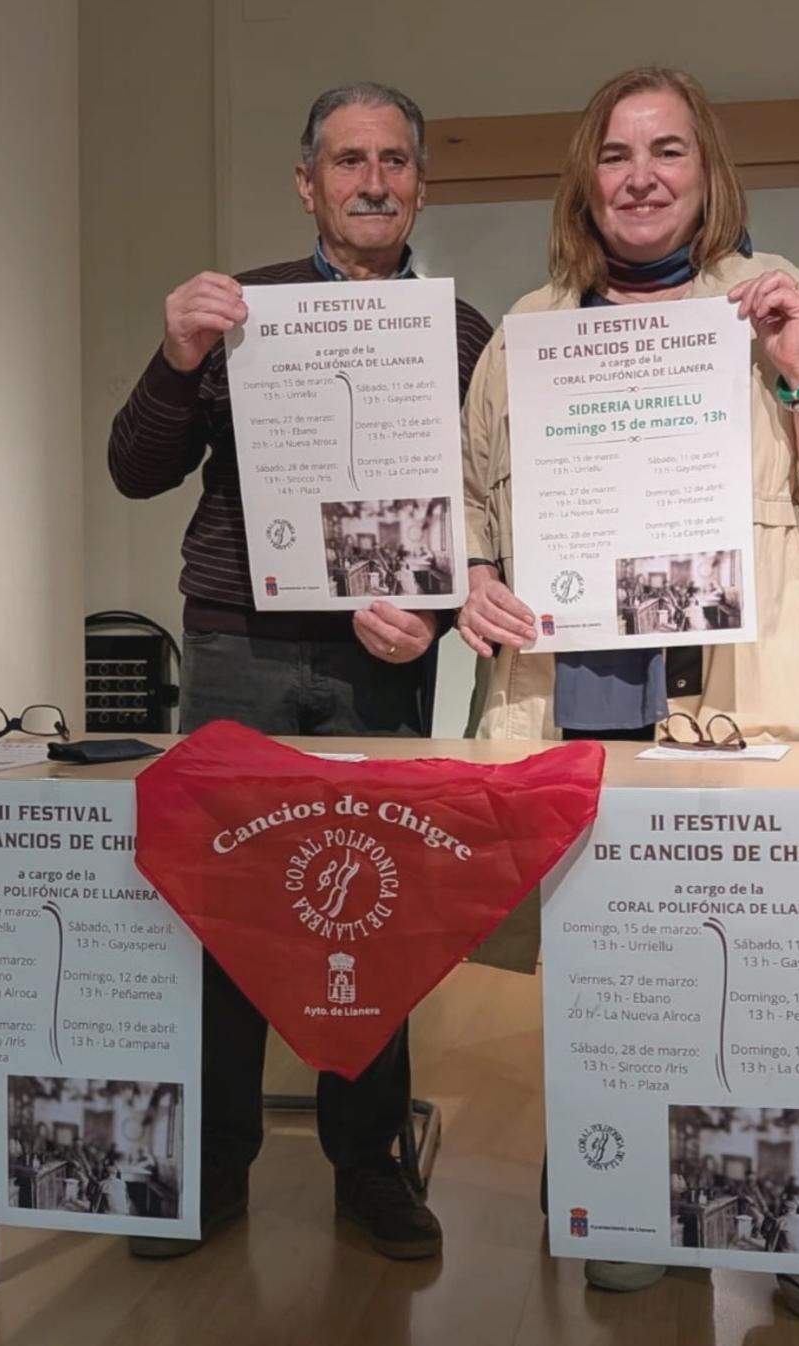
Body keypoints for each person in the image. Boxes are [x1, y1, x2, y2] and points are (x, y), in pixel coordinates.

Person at [458, 67, 799, 1320]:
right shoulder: (528, 330)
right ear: (585, 180)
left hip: (757, 701)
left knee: (779, 962)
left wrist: (798, 364)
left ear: (706, 172)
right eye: (616, 154)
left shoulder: (777, 300)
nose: (642, 175)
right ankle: (634, 1194)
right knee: (625, 959)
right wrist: (478, 584)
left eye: (667, 150)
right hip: (581, 701)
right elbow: (472, 518)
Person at [109, 82, 492, 1263]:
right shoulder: (240, 313)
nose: (371, 179)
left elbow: (479, 520)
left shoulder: (462, 331)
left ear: (420, 184)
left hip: (382, 666)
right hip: (239, 648)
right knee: (225, 913)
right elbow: (135, 467)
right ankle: (215, 1165)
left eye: (391, 160)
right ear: (307, 182)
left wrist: (431, 614)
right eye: (346, 160)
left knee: (374, 911)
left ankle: (368, 1165)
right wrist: (177, 355)